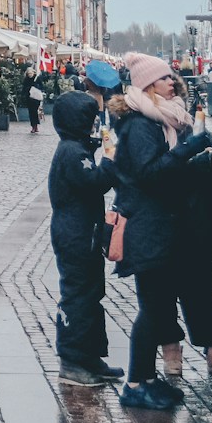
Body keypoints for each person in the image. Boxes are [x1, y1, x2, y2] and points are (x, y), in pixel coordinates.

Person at [113, 53, 212, 410]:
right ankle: (138, 383)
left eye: (172, 78)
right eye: (165, 78)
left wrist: (202, 158)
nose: (173, 82)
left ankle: (147, 380)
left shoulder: (167, 120)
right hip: (150, 229)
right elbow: (151, 174)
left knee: (163, 304)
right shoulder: (139, 125)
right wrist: (189, 149)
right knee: (152, 309)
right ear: (148, 85)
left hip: (170, 226)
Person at [47, 91, 125, 386]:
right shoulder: (71, 152)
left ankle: (90, 356)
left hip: (84, 233)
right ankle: (73, 360)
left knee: (91, 293)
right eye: (91, 117)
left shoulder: (75, 147)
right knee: (79, 296)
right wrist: (109, 161)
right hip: (75, 236)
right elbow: (95, 183)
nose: (96, 122)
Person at [18, 61, 48, 134]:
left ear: (33, 73)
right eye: (28, 73)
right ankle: (33, 126)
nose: (30, 75)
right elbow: (24, 88)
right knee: (31, 113)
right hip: (29, 98)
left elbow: (41, 87)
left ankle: (36, 126)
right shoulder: (26, 80)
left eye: (31, 73)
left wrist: (36, 87)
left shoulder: (37, 79)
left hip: (36, 98)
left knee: (35, 112)